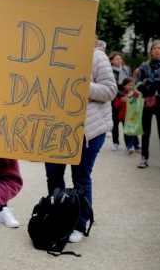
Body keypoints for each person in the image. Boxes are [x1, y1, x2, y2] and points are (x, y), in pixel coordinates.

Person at [44, 41, 117, 243]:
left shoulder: (96, 56)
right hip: (55, 129)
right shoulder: (48, 53)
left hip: (88, 131)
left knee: (81, 179)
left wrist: (80, 85)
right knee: (53, 177)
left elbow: (110, 91)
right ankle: (59, 217)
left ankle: (79, 223)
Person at [135, 39, 160, 168]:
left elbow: (149, 82)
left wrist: (148, 81)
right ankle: (144, 158)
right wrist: (152, 84)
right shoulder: (145, 66)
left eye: (159, 48)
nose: (157, 50)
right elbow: (138, 84)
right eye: (154, 48)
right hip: (148, 101)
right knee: (146, 132)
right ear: (151, 51)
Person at [108, 51, 132, 151]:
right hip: (115, 98)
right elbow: (111, 85)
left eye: (120, 59)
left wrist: (128, 94)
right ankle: (116, 142)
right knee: (115, 122)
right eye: (117, 59)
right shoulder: (109, 71)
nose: (119, 61)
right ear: (111, 61)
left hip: (127, 98)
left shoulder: (126, 69)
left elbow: (131, 82)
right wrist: (121, 95)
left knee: (128, 121)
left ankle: (130, 144)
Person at [114, 77, 141, 154]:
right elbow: (116, 105)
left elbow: (139, 103)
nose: (131, 87)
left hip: (132, 116)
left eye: (132, 85)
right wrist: (122, 101)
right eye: (129, 85)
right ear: (124, 86)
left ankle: (131, 146)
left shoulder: (136, 94)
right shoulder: (121, 94)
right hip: (123, 116)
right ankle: (128, 146)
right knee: (126, 131)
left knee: (132, 131)